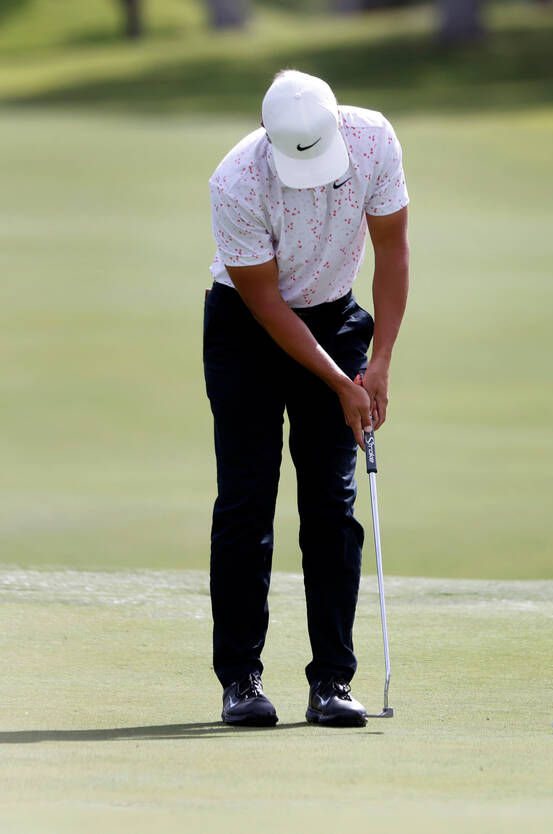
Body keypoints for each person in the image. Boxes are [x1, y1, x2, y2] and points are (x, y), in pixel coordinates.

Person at [204, 70, 410, 728]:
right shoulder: (236, 180)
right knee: (246, 498)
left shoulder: (373, 140)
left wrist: (377, 364)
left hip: (336, 320)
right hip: (248, 330)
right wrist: (337, 383)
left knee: (331, 499)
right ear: (268, 141)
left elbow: (393, 249)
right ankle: (241, 679)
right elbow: (266, 306)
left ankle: (333, 683)